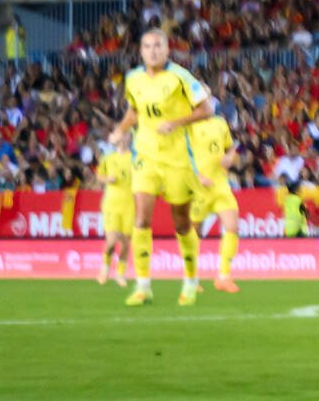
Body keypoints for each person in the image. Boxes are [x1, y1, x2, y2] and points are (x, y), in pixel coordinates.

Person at [107, 29, 214, 308]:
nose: (152, 51)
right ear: (140, 51)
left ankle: (191, 281)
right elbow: (134, 111)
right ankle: (143, 286)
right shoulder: (133, 79)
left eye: (158, 46)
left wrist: (176, 123)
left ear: (167, 50)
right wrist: (120, 130)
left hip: (177, 158)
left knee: (181, 222)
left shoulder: (180, 76)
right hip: (145, 156)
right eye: (147, 46)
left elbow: (207, 109)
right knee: (141, 218)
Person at [188, 112, 243, 293]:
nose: (208, 102)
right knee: (194, 231)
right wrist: (196, 175)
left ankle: (224, 277)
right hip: (199, 186)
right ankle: (191, 279)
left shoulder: (220, 122)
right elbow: (180, 155)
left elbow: (230, 148)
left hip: (220, 184)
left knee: (232, 227)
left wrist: (230, 157)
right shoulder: (189, 126)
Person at [95, 139, 135, 288]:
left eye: (126, 136)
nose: (124, 140)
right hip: (112, 204)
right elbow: (99, 176)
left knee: (125, 242)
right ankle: (104, 268)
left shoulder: (134, 158)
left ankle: (120, 273)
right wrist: (107, 179)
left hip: (129, 204)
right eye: (122, 136)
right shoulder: (109, 157)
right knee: (112, 240)